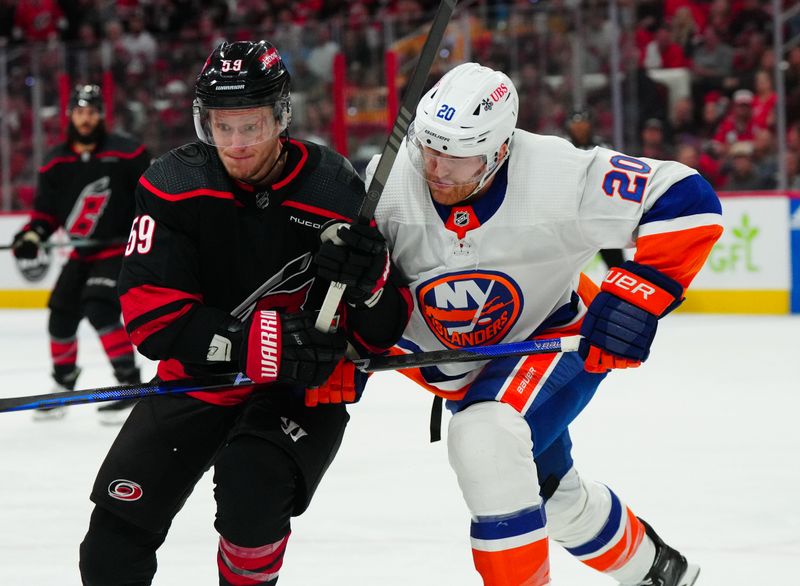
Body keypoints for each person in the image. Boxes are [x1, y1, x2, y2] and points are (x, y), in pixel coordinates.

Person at [372, 63, 722, 586]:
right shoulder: (389, 180)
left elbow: (687, 200)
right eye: (430, 146)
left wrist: (635, 295)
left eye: (458, 155)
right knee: (550, 495)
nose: (438, 168)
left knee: (486, 437)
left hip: (551, 340)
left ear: (499, 150)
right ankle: (662, 572)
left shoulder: (557, 175)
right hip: (465, 368)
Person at [78, 40, 411, 586]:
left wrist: (370, 284)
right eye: (221, 125)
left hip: (297, 391)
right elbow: (149, 317)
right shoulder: (172, 184)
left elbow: (377, 339)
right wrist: (251, 341)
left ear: (281, 116)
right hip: (197, 384)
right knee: (110, 547)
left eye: (251, 126)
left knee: (250, 491)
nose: (235, 144)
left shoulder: (335, 189)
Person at [10, 83, 151, 423]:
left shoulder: (128, 154)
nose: (85, 119)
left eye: (91, 112)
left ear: (100, 115)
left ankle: (130, 384)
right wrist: (31, 235)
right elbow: (45, 214)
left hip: (119, 247)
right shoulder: (55, 162)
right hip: (81, 251)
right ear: (70, 115)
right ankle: (63, 384)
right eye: (79, 112)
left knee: (99, 307)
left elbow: (151, 198)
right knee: (60, 313)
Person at [565, 109, 624, 269]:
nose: (579, 128)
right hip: (572, 216)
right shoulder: (563, 147)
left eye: (583, 124)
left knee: (616, 265)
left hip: (601, 214)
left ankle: (620, 292)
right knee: (566, 267)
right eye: (575, 124)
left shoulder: (603, 146)